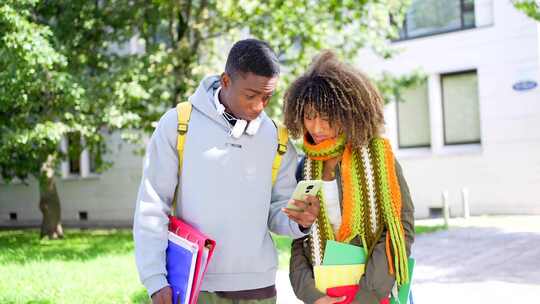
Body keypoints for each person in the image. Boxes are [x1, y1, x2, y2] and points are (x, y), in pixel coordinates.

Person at [133, 39, 320, 304]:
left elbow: (278, 212)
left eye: (267, 97)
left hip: (259, 288)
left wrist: (300, 221)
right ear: (225, 81)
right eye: (251, 95)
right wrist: (154, 278)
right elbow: (152, 205)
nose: (258, 107)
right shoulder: (178, 124)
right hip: (195, 286)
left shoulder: (278, 139)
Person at [282, 51, 415, 304]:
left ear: (348, 113)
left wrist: (367, 296)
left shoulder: (378, 158)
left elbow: (400, 229)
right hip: (326, 295)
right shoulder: (305, 168)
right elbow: (299, 241)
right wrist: (312, 295)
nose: (317, 128)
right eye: (309, 117)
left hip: (375, 294)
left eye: (327, 118)